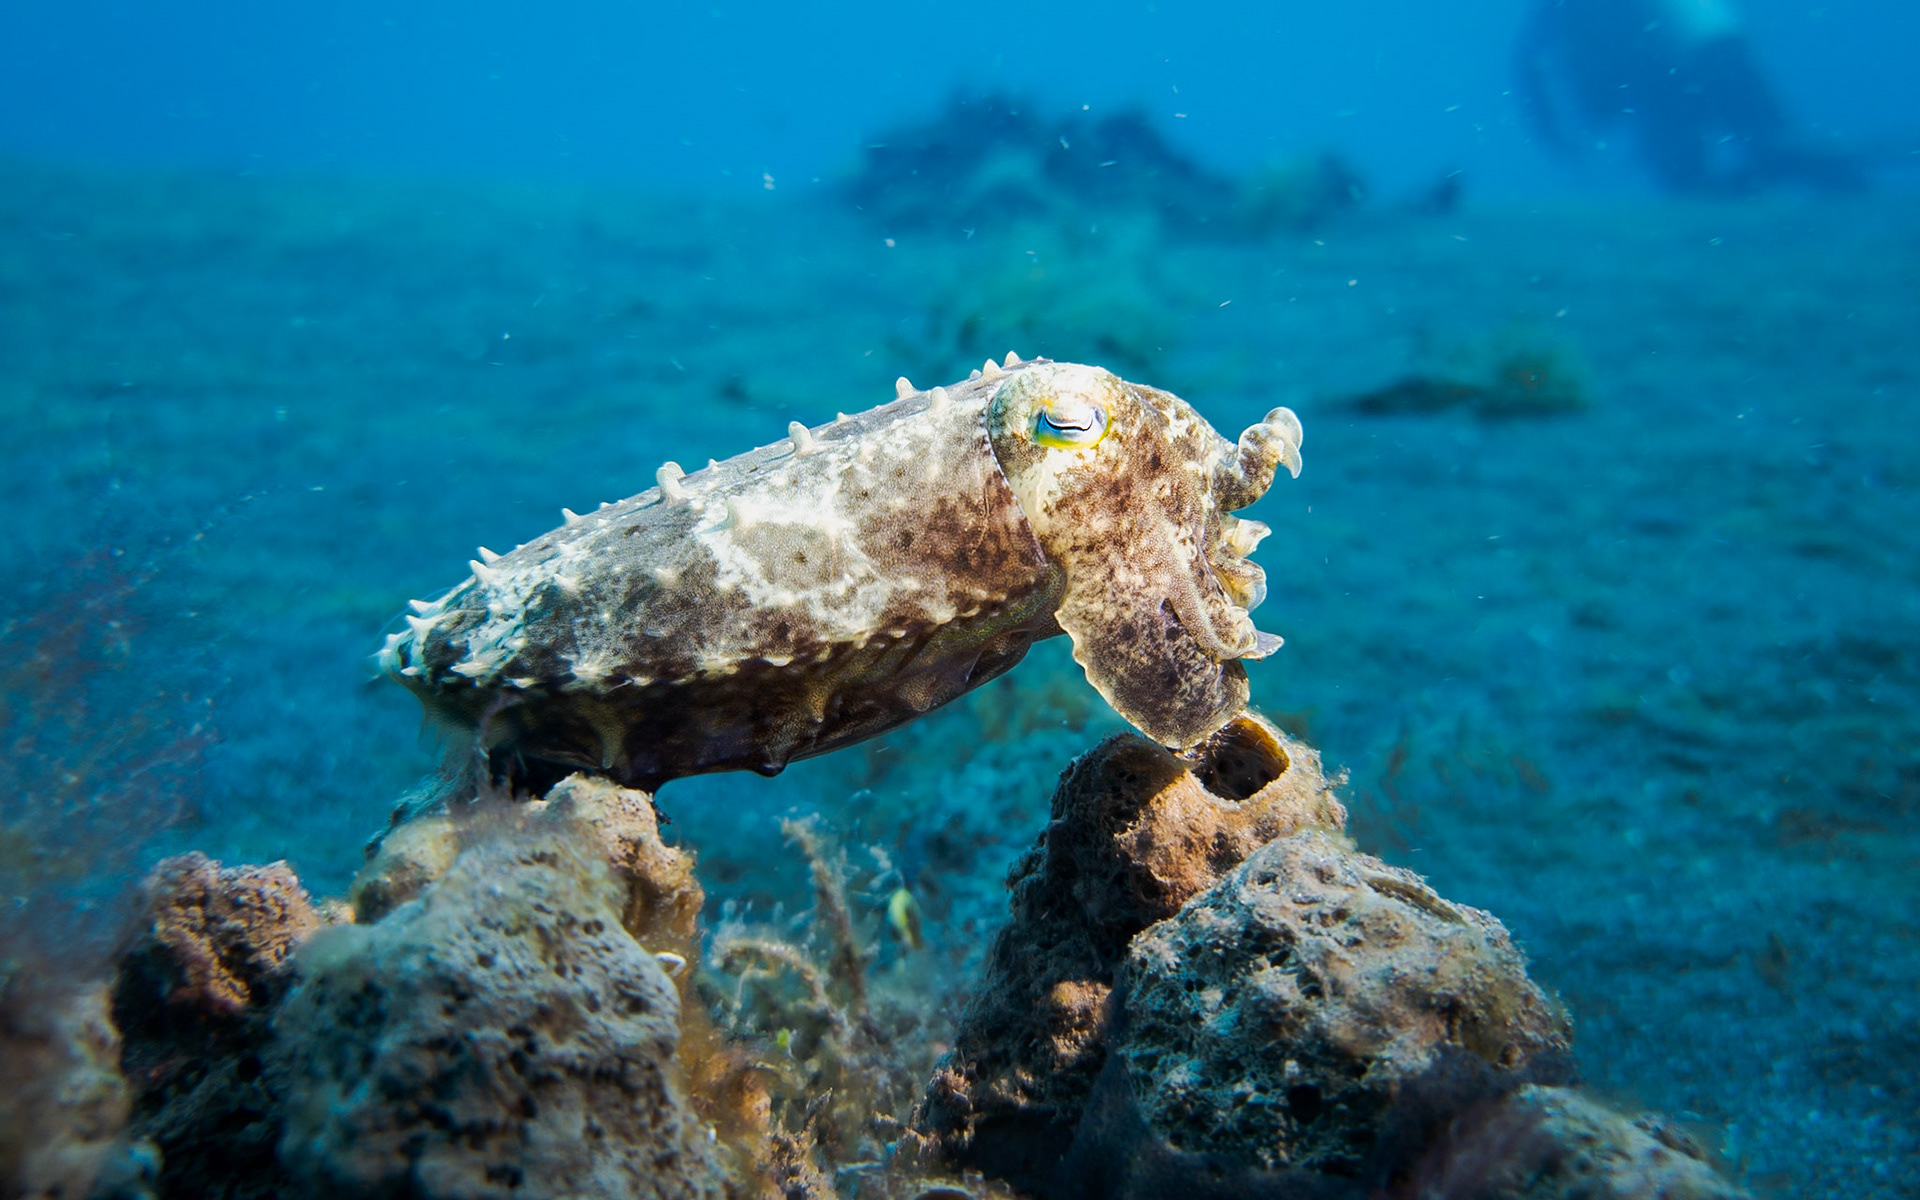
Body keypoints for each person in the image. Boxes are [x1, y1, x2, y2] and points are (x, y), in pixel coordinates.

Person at [1515, 0, 1864, 193]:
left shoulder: (1575, 15)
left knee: (1762, 148)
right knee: (1772, 143)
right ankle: (1835, 173)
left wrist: (1557, 134)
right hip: (1707, 51)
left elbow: (1532, 65)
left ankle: (1832, 172)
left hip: (1683, 62)